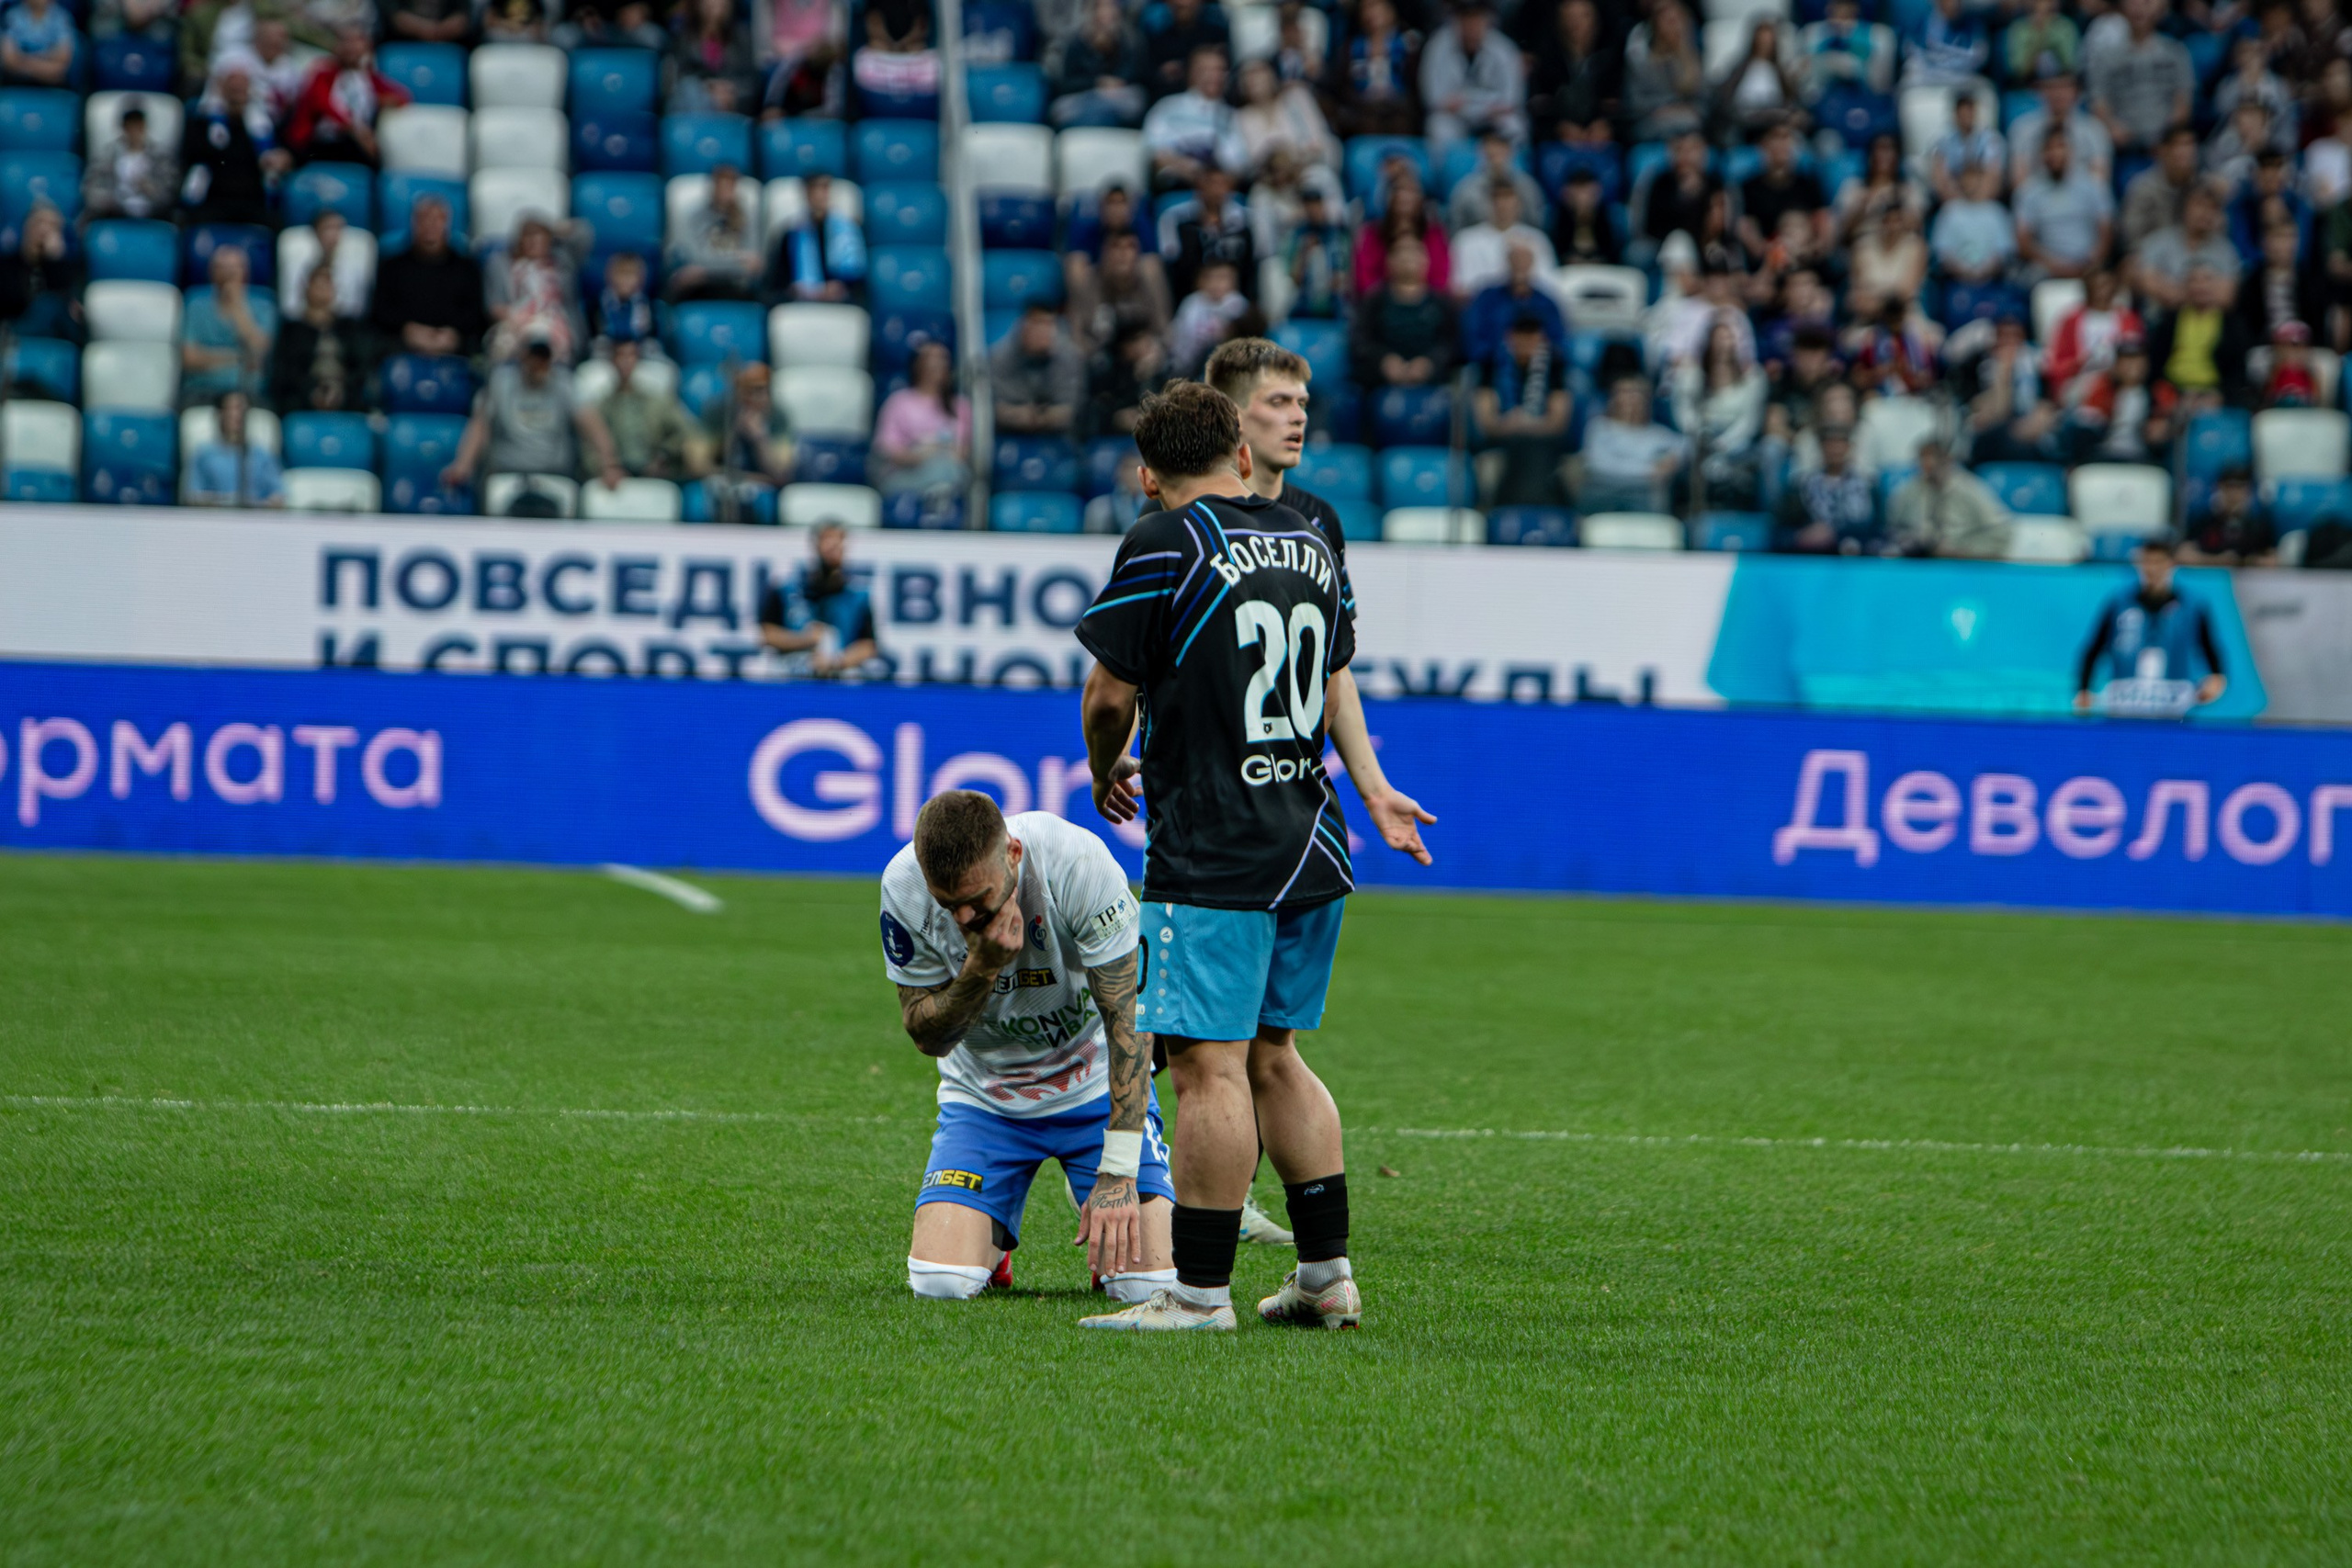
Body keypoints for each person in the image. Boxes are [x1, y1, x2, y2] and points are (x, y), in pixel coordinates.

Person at [1074, 383, 1388, 1332]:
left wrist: (1104, 770)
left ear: (1146, 476)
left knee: (1205, 1069)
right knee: (1277, 1058)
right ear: (1240, 455)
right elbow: (1333, 676)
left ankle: (1199, 1293)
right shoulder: (1308, 536)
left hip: (1214, 847)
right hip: (1311, 839)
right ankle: (1325, 1274)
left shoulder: (1163, 541)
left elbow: (1105, 696)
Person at [880, 790, 1166, 1304]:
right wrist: (981, 967)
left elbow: (1129, 1021)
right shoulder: (903, 888)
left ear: (1013, 854)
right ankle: (992, 1241)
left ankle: (1107, 1221)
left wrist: (1119, 1169)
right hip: (986, 1101)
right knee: (939, 1283)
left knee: (1149, 1285)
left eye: (979, 900)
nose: (966, 917)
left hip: (1095, 1087)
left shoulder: (1075, 861)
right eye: (951, 905)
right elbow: (927, 1036)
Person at [440, 331, 627, 496]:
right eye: (534, 356)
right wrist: (463, 464)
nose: (539, 363)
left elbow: (592, 424)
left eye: (544, 357)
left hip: (555, 475)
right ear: (523, 356)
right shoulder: (501, 382)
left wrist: (610, 464)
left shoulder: (564, 384)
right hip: (507, 474)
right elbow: (480, 426)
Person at [2074, 536, 2227, 715]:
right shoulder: (2119, 603)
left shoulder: (2192, 605)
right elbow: (2095, 647)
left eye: (2158, 562)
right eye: (2147, 562)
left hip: (2173, 703)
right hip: (2125, 703)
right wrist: (2084, 688)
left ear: (2171, 564)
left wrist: (2217, 677)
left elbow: (2209, 646)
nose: (2152, 569)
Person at [1474, 314, 1573, 506]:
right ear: (1510, 338)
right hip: (1501, 442)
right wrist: (1507, 424)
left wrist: (1526, 424)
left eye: (1533, 338)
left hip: (1542, 443)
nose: (1527, 344)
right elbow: (1486, 422)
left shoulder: (1555, 365)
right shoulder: (1490, 364)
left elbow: (1559, 422)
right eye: (1522, 338)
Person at [758, 523, 879, 675]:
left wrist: (835, 662)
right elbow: (766, 633)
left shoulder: (858, 597)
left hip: (836, 680)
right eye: (827, 539)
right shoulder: (787, 590)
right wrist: (805, 640)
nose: (833, 546)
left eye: (839, 540)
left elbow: (868, 645)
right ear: (815, 544)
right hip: (792, 677)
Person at [374, 196, 487, 358]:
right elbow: (380, 311)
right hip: (401, 346)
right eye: (424, 219)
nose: (430, 225)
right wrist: (408, 330)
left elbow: (475, 314)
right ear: (414, 222)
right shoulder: (392, 266)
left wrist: (452, 334)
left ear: (447, 223)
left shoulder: (467, 268)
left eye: (437, 219)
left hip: (456, 348)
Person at [182, 67, 289, 229]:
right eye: (233, 90)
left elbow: (283, 157)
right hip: (215, 199)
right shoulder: (204, 123)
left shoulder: (263, 126)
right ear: (223, 91)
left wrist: (281, 160)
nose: (237, 96)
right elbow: (194, 157)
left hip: (251, 200)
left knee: (276, 224)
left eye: (241, 90)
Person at [287, 26, 410, 166]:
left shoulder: (368, 78)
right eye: (345, 41)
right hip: (322, 141)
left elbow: (403, 96)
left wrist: (383, 100)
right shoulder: (323, 73)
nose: (350, 47)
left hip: (354, 143)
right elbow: (324, 104)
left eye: (356, 41)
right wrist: (357, 131)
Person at [1419, 0, 1526, 155]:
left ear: (1487, 20)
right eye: (1466, 18)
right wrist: (1446, 104)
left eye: (1477, 18)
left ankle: (1508, 176)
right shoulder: (1437, 46)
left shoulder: (1504, 48)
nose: (1472, 24)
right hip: (1454, 116)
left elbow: (1513, 98)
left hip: (1492, 115)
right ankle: (1449, 175)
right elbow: (1431, 97)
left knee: (1515, 126)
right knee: (1438, 127)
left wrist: (1499, 108)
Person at [1351, 234, 1455, 390]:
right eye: (1400, 252)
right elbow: (1360, 341)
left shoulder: (1441, 303)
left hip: (1433, 385)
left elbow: (1452, 344)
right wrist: (1383, 360)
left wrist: (1430, 363)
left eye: (1415, 252)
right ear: (1389, 261)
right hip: (1379, 385)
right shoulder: (1374, 301)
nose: (1407, 257)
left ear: (1426, 261)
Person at [870, 337, 970, 499]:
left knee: (950, 471)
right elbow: (887, 449)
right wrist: (920, 454)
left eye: (942, 359)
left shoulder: (960, 406)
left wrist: (942, 453)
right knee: (942, 470)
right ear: (917, 364)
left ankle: (941, 497)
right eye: (931, 359)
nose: (937, 365)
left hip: (949, 471)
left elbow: (963, 451)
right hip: (907, 473)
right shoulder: (899, 402)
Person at [2088, 0, 2191, 156]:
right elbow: (2099, 102)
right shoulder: (2106, 58)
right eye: (2132, 2)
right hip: (2125, 148)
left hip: (2166, 147)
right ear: (2122, 9)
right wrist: (2113, 128)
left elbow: (2183, 103)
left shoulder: (2175, 53)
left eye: (2145, 2)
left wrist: (2166, 137)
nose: (2138, 9)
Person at [486, 212, 590, 365]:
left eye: (539, 237)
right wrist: (519, 318)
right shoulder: (501, 264)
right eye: (528, 237)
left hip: (555, 320)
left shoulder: (563, 261)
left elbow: (584, 236)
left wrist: (554, 228)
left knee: (546, 341)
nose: (533, 243)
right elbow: (494, 305)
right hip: (516, 320)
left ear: (549, 240)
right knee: (504, 344)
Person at [2015, 126, 2114, 282]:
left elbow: (2106, 232)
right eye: (2049, 148)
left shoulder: (2093, 186)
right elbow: (2024, 242)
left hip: (2088, 264)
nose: (2055, 154)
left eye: (2060, 147)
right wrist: (2052, 265)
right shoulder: (2028, 192)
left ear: (2071, 151)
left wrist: (2091, 260)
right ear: (2041, 154)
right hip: (2046, 268)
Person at [2148, 264, 2256, 407]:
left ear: (2216, 285)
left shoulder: (2232, 324)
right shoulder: (2169, 320)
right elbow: (2156, 361)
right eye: (2194, 280)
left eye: (2207, 279)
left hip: (2213, 392)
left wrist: (2222, 395)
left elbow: (2237, 369)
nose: (2200, 286)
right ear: (2185, 286)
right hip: (2173, 390)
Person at [1576, 375, 1686, 513]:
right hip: (1603, 491)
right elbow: (1598, 464)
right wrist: (1650, 471)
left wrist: (1674, 460)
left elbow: (1683, 448)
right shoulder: (1599, 427)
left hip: (1643, 495)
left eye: (1636, 393)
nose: (1631, 399)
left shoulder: (1660, 435)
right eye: (1625, 393)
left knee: (1659, 497)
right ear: (1613, 398)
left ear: (1647, 399)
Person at [1887, 439, 2010, 559]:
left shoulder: (1970, 489)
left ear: (1947, 460)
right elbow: (1894, 529)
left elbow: (2001, 531)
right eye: (1923, 459)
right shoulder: (1909, 491)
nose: (1928, 464)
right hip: (1920, 562)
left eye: (1934, 458)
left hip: (1964, 561)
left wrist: (1964, 552)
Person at [183, 245, 276, 404]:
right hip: (202, 391)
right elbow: (190, 359)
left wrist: (238, 309)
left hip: (250, 394)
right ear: (210, 272)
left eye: (233, 269)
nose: (228, 274)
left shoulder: (263, 304)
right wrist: (238, 357)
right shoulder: (195, 303)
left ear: (246, 272)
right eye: (222, 268)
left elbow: (261, 354)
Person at [700, 360, 797, 512]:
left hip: (761, 488)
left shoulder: (778, 416)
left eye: (763, 391)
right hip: (721, 481)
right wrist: (732, 434)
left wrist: (760, 439)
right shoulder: (718, 412)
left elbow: (780, 473)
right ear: (737, 390)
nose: (758, 398)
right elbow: (698, 465)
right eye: (750, 391)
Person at [1143, 46, 1245, 189]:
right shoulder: (1167, 107)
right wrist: (1195, 174)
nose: (1215, 76)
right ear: (1191, 72)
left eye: (1220, 70)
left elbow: (1237, 167)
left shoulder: (1232, 116)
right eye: (1207, 70)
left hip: (1220, 193)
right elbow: (1156, 156)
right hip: (1177, 188)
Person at [273, 264, 368, 411]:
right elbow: (287, 371)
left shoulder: (348, 327)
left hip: (346, 395)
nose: (323, 290)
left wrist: (340, 391)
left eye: (327, 285)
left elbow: (360, 366)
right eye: (318, 285)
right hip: (303, 397)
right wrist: (312, 392)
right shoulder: (292, 329)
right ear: (306, 288)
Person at [764, 171, 867, 304]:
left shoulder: (848, 231)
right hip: (801, 304)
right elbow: (778, 282)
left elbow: (858, 277)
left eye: (824, 188)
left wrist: (840, 288)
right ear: (806, 193)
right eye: (814, 189)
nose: (819, 195)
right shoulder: (791, 233)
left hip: (840, 303)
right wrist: (801, 290)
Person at [597, 339, 695, 479]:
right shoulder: (603, 405)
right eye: (620, 355)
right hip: (617, 476)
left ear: (637, 360)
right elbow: (591, 447)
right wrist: (606, 466)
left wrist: (664, 456)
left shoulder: (657, 401)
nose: (625, 361)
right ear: (612, 361)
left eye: (631, 355)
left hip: (655, 473)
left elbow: (684, 431)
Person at [1736, 119, 1830, 265]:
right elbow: (1747, 228)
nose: (1782, 144)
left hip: (1806, 257)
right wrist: (1770, 251)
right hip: (1769, 260)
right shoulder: (1750, 187)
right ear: (1763, 145)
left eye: (1786, 137)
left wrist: (1812, 249)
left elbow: (1823, 222)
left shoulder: (1809, 183)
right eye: (1776, 138)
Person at [665, 164, 763, 302]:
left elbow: (753, 263)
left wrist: (709, 267)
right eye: (721, 185)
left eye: (729, 186)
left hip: (733, 284)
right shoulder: (694, 217)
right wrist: (736, 261)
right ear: (711, 186)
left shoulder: (746, 218)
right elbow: (694, 258)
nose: (725, 191)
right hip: (702, 286)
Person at [1773, 423, 1877, 553]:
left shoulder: (1868, 487)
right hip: (1815, 557)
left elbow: (1876, 529)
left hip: (1857, 558)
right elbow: (1781, 533)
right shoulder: (1801, 488)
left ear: (1849, 447)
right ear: (1821, 448)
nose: (1835, 450)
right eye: (1830, 444)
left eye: (1840, 444)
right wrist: (1801, 536)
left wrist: (1835, 535)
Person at [1461, 238, 1566, 366]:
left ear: (1532, 263)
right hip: (1491, 366)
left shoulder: (1546, 303)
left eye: (1525, 259)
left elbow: (1559, 342)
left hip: (1539, 365)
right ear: (1507, 262)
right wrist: (1502, 353)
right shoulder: (1486, 299)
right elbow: (1472, 338)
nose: (1520, 264)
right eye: (1515, 259)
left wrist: (1530, 350)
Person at [1160, 164, 1255, 299]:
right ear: (1199, 187)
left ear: (1229, 188)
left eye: (1221, 184)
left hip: (1234, 290)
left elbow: (1249, 264)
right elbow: (1174, 263)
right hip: (1194, 291)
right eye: (1210, 183)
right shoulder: (1178, 220)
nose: (1216, 190)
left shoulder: (1245, 221)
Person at [1328, 0, 1420, 138]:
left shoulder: (1408, 44)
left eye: (1376, 6)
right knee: (1367, 121)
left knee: (1400, 121)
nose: (1371, 14)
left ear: (1391, 11)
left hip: (1398, 107)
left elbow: (1415, 84)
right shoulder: (1351, 47)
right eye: (1366, 8)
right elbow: (1342, 87)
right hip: (1363, 109)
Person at [2010, 69, 2112, 193]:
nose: (2057, 94)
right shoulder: (2022, 128)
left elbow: (2100, 180)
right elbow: (2019, 181)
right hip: (2037, 202)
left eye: (2064, 87)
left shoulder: (2094, 129)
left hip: (2082, 201)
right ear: (2039, 90)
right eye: (2051, 87)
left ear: (2076, 91)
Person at [1049, 0, 1148, 128]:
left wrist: (1111, 49)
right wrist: (1098, 83)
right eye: (1101, 7)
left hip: (1118, 97)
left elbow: (1135, 75)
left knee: (1136, 99)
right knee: (1060, 109)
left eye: (1111, 7)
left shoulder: (1129, 39)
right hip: (1084, 97)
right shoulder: (1076, 41)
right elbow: (1067, 83)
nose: (1106, 12)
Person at [990, 303, 1084, 435]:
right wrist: (1020, 415)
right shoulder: (999, 357)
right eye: (1037, 324)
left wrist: (1042, 418)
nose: (1043, 332)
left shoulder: (1069, 356)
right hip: (1010, 434)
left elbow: (1073, 408)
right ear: (1024, 326)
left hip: (1058, 435)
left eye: (1048, 325)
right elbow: (994, 408)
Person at [1451, 181, 1554, 299]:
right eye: (1496, 198)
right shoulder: (1466, 241)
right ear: (1485, 203)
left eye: (1508, 198)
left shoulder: (1536, 239)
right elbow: (1461, 288)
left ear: (1518, 203)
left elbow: (1548, 287)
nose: (1502, 204)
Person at [0, 203, 85, 344]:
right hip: (18, 329)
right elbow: (9, 304)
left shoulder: (71, 268)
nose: (44, 231)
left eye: (52, 226)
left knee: (49, 305)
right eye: (38, 223)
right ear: (25, 228)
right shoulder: (6, 266)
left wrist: (55, 261)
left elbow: (71, 307)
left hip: (57, 336)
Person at [187, 392, 286, 507]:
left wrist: (267, 504)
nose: (237, 415)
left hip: (256, 519)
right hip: (215, 518)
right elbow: (193, 495)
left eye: (242, 410)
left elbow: (279, 495)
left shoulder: (261, 454)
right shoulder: (204, 454)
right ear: (220, 414)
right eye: (232, 409)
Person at [1929, 161, 2018, 286]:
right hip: (1956, 282)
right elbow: (1943, 254)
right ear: (1959, 181)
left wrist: (1983, 272)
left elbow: (2003, 253)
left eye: (1974, 179)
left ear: (1982, 180)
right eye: (1966, 179)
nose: (1970, 183)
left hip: (1993, 282)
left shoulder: (1996, 212)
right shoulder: (1949, 211)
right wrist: (1965, 273)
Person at [84, 106, 177, 222]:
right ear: (123, 129)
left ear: (144, 127)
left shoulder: (161, 156)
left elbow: (170, 192)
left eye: (138, 127)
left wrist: (151, 190)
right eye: (130, 127)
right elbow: (91, 188)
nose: (134, 132)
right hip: (114, 212)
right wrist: (108, 200)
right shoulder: (106, 156)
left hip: (153, 212)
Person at [2120, 124, 2200, 252]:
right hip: (2153, 259)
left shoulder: (2203, 186)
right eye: (2180, 145)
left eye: (2190, 144)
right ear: (2163, 151)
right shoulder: (2143, 187)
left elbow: (2217, 235)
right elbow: (2132, 236)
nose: (2187, 151)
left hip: (2196, 258)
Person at [672, 0, 762, 113]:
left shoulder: (742, 37)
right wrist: (710, 87)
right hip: (697, 97)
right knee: (690, 89)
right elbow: (680, 76)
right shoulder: (685, 36)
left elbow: (752, 81)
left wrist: (729, 89)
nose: (716, 4)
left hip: (732, 99)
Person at [1281, 183, 1353, 319]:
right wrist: (1304, 253)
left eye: (1316, 204)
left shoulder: (1339, 234)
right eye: (1309, 206)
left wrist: (1340, 279)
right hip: (1304, 302)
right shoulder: (1297, 236)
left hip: (1335, 302)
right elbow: (1293, 278)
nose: (1313, 210)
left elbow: (1350, 271)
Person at [1448, 130, 1544, 231]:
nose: (1496, 152)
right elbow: (1456, 226)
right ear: (1482, 152)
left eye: (1501, 147)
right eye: (1491, 149)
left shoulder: (1527, 186)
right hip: (1477, 242)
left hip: (1520, 241)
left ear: (1510, 151)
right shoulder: (1466, 189)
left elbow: (1536, 223)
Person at [1170, 259, 1250, 376]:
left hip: (1227, 362)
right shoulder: (1192, 303)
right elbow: (1178, 333)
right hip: (1189, 362)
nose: (1216, 283)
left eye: (1222, 278)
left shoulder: (1238, 305)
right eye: (1210, 278)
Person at [2182, 466, 2278, 563]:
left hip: (2248, 577)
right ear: (2219, 488)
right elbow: (2182, 554)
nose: (2234, 494)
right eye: (2229, 487)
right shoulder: (2205, 522)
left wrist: (2249, 561)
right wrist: (2217, 560)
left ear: (2248, 491)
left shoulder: (2259, 526)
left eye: (2239, 487)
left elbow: (2273, 559)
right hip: (2212, 576)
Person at [1927, 90, 2005, 206]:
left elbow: (1993, 176)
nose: (1966, 115)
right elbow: (1941, 180)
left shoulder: (1991, 139)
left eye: (1969, 110)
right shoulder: (1942, 142)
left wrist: (1978, 203)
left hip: (1985, 201)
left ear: (1975, 112)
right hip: (1952, 203)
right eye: (1962, 111)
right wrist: (1959, 205)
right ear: (1955, 114)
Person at [592, 251, 661, 356]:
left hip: (639, 355)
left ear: (640, 279)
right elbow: (596, 336)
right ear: (609, 276)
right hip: (607, 355)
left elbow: (650, 336)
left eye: (630, 275)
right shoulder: (599, 303)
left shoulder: (646, 304)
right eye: (621, 274)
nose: (625, 280)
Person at [1551, 164, 1623, 265]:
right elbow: (1556, 252)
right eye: (1578, 190)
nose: (1583, 197)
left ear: (1598, 191)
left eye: (1587, 190)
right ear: (1566, 193)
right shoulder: (1556, 217)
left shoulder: (1611, 216)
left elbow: (1615, 252)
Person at [1, 0, 76, 86]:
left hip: (53, 85)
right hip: (18, 82)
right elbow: (10, 61)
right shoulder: (12, 16)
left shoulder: (62, 17)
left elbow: (63, 59)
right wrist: (46, 67)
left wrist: (24, 60)